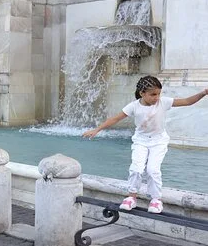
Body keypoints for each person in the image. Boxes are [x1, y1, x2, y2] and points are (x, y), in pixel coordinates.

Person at [83, 76, 207, 214]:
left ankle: (156, 200)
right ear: (142, 93)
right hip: (141, 141)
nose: (157, 97)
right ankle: (131, 197)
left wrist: (203, 93)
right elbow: (115, 119)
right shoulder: (133, 106)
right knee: (136, 169)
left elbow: (187, 101)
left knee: (152, 170)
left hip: (158, 141)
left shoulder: (163, 102)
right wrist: (97, 129)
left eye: (158, 94)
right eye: (153, 94)